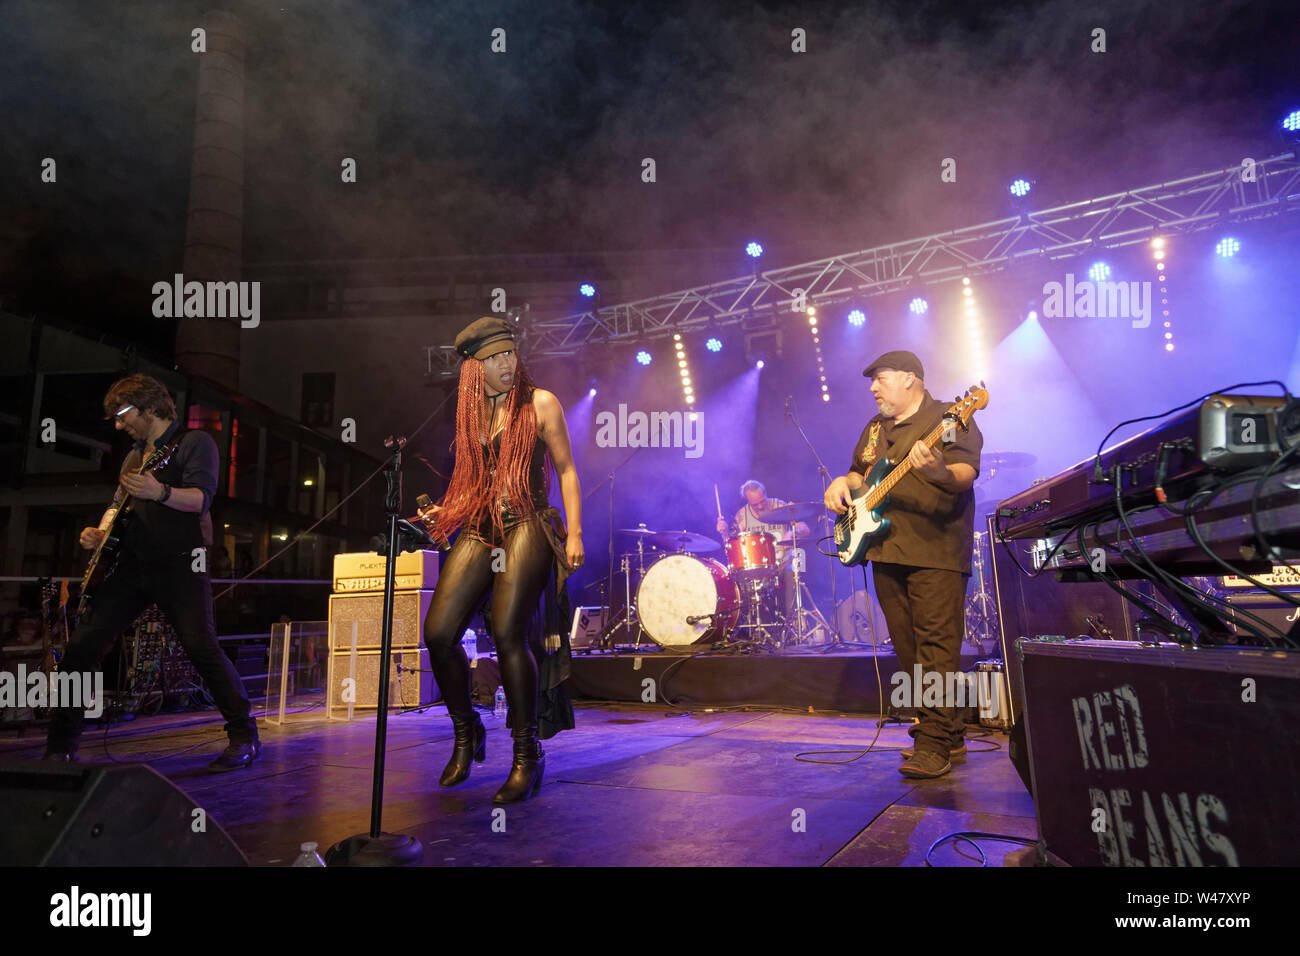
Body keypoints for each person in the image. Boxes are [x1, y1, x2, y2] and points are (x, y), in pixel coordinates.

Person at [44, 374, 259, 770]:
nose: (118, 424)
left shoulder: (195, 443)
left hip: (180, 564)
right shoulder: (133, 456)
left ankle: (243, 736)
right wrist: (99, 531)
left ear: (149, 408)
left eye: (123, 414)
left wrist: (159, 492)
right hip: (129, 565)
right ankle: (60, 745)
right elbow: (117, 504)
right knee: (81, 648)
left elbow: (200, 499)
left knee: (201, 648)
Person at [420, 317, 582, 804]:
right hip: (480, 526)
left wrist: (574, 532)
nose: (506, 363)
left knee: (510, 633)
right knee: (439, 633)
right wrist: (442, 513)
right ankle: (468, 731)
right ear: (474, 369)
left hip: (528, 521)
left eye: (509, 353)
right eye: (494, 358)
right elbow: (472, 482)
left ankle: (526, 755)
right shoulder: (470, 416)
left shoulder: (540, 404)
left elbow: (568, 469)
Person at [824, 351, 983, 779]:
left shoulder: (949, 417)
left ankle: (932, 745)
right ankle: (948, 732)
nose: (873, 388)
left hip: (936, 550)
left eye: (880, 379)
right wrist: (844, 482)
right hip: (885, 550)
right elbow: (862, 475)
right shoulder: (876, 428)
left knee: (937, 647)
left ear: (911, 379)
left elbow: (966, 472)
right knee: (909, 649)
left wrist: (938, 473)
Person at [716, 480, 812, 631]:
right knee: (737, 581)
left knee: (792, 570)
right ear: (748, 501)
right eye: (755, 505)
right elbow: (732, 546)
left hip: (782, 561)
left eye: (762, 501)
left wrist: (793, 532)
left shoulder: (780, 506)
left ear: (765, 494)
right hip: (758, 567)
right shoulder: (742, 516)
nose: (760, 506)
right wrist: (724, 533)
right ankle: (760, 629)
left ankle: (793, 624)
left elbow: (805, 529)